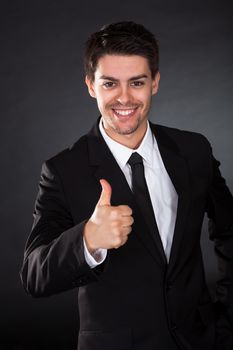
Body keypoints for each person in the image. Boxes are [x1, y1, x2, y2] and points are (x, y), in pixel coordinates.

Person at [20, 21, 233, 350]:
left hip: (200, 341)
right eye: (110, 84)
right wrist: (87, 241)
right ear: (91, 85)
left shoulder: (194, 151)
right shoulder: (62, 170)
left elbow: (230, 232)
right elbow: (34, 275)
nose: (124, 98)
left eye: (137, 82)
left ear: (155, 83)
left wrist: (225, 322)